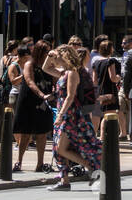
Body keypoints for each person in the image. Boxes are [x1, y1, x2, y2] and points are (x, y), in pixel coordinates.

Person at [43, 45, 101, 191]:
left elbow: (70, 96)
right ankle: (65, 180)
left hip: (70, 115)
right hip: (64, 114)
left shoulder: (72, 73)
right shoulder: (62, 73)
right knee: (58, 149)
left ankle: (90, 167)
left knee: (61, 148)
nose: (54, 61)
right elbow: (45, 68)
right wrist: (49, 56)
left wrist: (61, 115)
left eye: (57, 57)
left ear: (65, 57)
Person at [12, 40, 54, 172]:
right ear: (40, 52)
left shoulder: (48, 65)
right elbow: (29, 82)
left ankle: (40, 164)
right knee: (25, 133)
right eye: (47, 51)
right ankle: (19, 162)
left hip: (43, 102)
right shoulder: (29, 64)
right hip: (29, 100)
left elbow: (57, 78)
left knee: (42, 133)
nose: (49, 54)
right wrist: (41, 94)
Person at [91, 39, 121, 117]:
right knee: (110, 115)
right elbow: (113, 78)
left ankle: (101, 130)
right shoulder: (110, 61)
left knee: (102, 115)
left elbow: (94, 81)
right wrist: (119, 77)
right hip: (110, 91)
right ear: (110, 49)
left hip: (100, 91)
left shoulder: (95, 63)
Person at [117, 35, 132, 139]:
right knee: (118, 108)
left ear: (131, 43)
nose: (122, 45)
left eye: (124, 43)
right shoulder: (124, 54)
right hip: (123, 85)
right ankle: (123, 133)